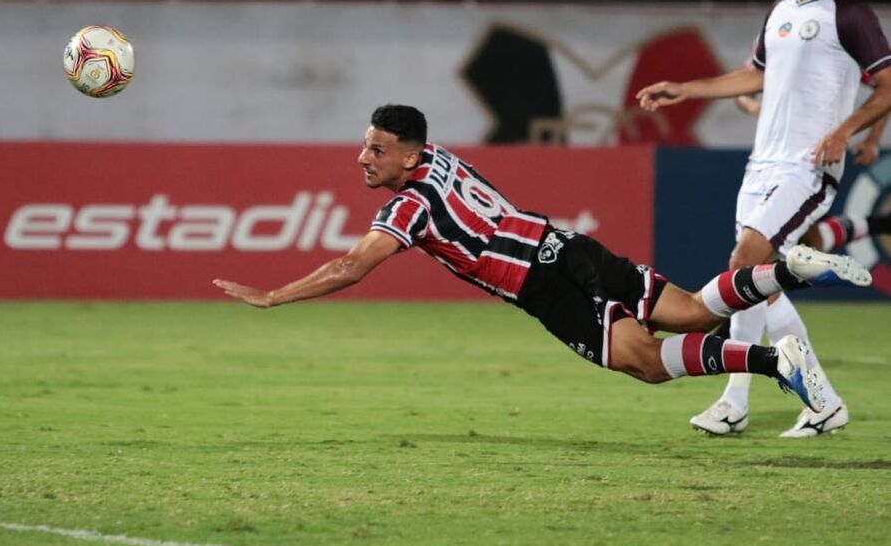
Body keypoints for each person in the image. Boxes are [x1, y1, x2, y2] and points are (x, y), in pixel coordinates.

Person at [214, 104, 873, 417]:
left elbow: (351, 267)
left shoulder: (409, 206)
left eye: (377, 150)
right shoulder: (442, 158)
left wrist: (274, 296)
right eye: (365, 146)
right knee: (698, 314)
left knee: (646, 364)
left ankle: (772, 360)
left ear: (410, 157)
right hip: (568, 245)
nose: (364, 158)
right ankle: (791, 270)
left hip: (546, 284)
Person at [637, 0, 891, 437]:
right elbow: (753, 75)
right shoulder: (779, 11)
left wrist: (847, 132)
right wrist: (685, 89)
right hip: (761, 165)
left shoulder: (849, 14)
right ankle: (808, 402)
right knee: (756, 285)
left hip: (807, 168)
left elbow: (887, 84)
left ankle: (744, 400)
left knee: (741, 266)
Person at [735, 93, 891, 254]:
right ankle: (877, 224)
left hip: (808, 162)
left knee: (794, 242)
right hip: (770, 162)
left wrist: (872, 139)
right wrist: (756, 107)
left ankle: (877, 224)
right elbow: (742, 93)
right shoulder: (775, 68)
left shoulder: (841, 69)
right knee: (804, 244)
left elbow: (886, 85)